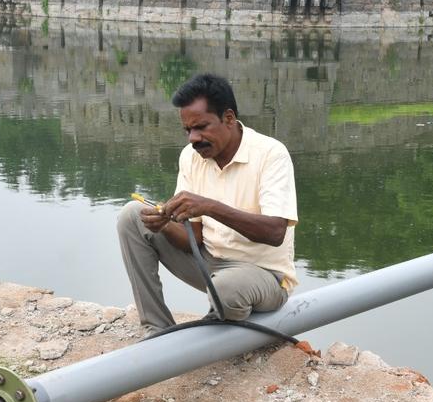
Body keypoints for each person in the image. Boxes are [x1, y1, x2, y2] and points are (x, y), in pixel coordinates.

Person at [118, 73, 298, 336]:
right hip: (210, 264)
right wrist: (164, 224)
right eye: (188, 130)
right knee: (131, 215)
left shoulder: (271, 154)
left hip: (264, 276)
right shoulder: (191, 157)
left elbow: (275, 232)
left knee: (225, 289)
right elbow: (193, 238)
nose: (193, 138)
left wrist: (209, 207)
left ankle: (219, 321)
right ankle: (156, 328)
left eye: (201, 127)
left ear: (228, 118)